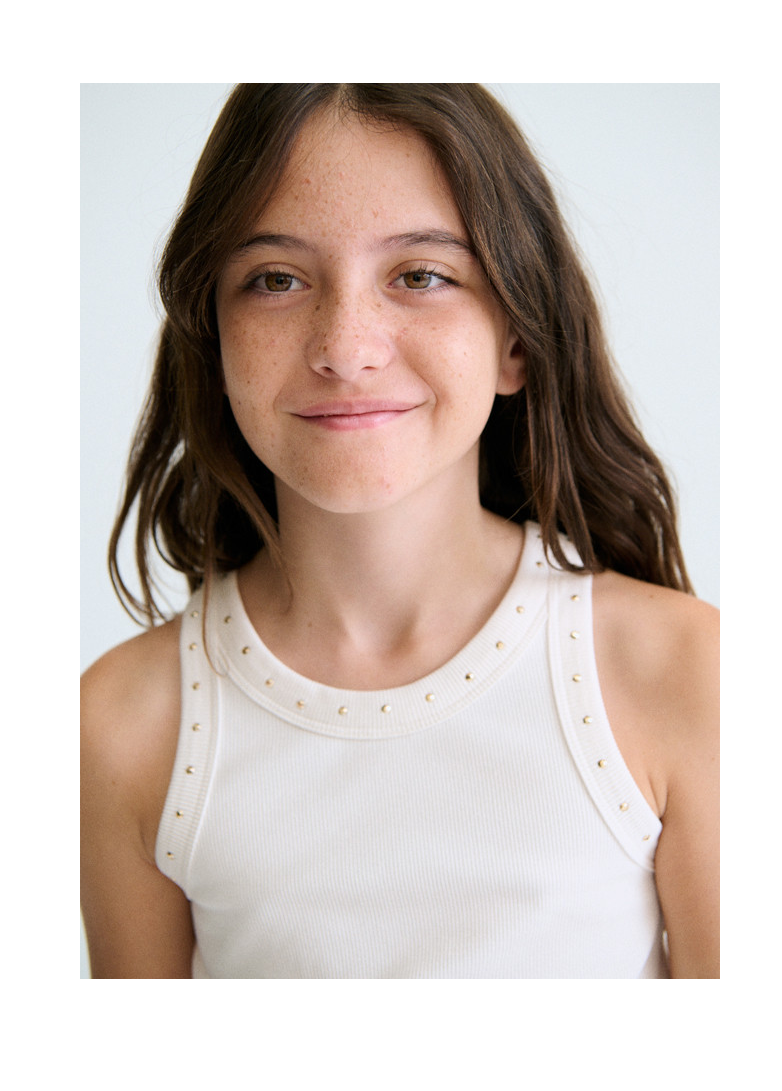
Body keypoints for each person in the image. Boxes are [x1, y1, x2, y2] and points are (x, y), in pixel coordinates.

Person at [80, 83, 719, 979]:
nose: (347, 347)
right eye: (276, 279)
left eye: (420, 276)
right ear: (213, 340)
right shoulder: (123, 725)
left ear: (517, 339)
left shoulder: (685, 672)